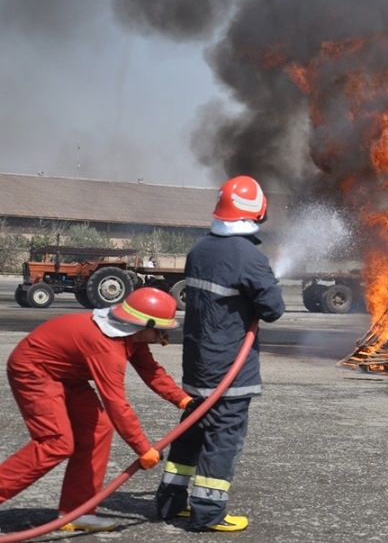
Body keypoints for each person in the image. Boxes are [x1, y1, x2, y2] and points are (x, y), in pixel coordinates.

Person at [0, 288, 194, 533]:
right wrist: (143, 448)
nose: (162, 335)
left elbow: (151, 371)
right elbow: (116, 403)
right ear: (143, 323)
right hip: (34, 371)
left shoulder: (130, 335)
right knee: (56, 443)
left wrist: (184, 400)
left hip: (68, 375)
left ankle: (76, 511)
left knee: (99, 429)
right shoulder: (107, 348)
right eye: (159, 329)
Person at [155, 175, 285, 532]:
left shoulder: (199, 250)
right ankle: (208, 512)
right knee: (223, 437)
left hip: (197, 364)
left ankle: (169, 503)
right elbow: (273, 309)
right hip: (230, 369)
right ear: (257, 213)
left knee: (191, 432)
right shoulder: (249, 256)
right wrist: (269, 283)